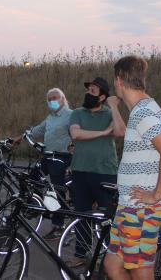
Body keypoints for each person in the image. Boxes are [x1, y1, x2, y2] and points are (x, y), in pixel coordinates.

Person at [104, 56, 161, 280]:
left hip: (141, 209)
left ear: (119, 80)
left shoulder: (144, 113)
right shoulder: (139, 110)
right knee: (112, 265)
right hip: (128, 207)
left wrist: (156, 194)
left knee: (139, 269)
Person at [66, 77, 125, 267]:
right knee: (82, 214)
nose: (88, 93)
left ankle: (112, 257)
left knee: (108, 216)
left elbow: (121, 131)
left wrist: (114, 106)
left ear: (102, 97)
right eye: (88, 90)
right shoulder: (77, 113)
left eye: (92, 91)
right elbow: (76, 134)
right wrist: (102, 133)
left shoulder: (109, 114)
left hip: (105, 172)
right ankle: (81, 254)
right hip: (80, 171)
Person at [13, 87, 73, 241]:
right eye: (50, 99)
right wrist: (19, 138)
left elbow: (78, 134)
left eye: (55, 98)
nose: (52, 101)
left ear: (62, 99)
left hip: (61, 157)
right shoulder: (50, 117)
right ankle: (37, 205)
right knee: (31, 178)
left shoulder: (70, 115)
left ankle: (58, 225)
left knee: (56, 190)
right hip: (47, 156)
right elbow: (37, 130)